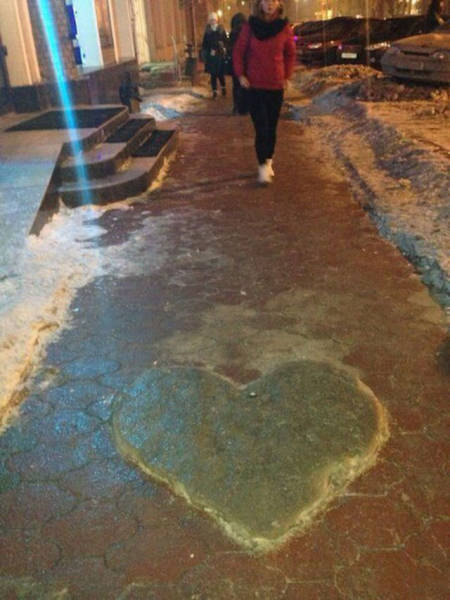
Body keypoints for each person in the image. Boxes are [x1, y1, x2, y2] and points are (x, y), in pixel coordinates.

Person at [233, 0, 295, 184]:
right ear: (259, 4)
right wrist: (241, 74)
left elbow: (290, 54)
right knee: (261, 127)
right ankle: (262, 166)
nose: (270, 4)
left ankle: (268, 159)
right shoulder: (250, 27)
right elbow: (238, 52)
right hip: (255, 87)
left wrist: (287, 75)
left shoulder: (284, 28)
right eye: (266, 1)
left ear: (279, 4)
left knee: (271, 127)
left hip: (275, 86)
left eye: (274, 1)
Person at [201, 12, 228, 99]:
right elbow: (204, 44)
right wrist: (205, 53)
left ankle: (223, 87)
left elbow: (225, 41)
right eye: (211, 20)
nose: (213, 21)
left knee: (220, 73)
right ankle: (214, 91)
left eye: (214, 20)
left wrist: (223, 46)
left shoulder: (221, 30)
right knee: (213, 74)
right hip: (211, 56)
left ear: (216, 20)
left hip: (219, 55)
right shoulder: (207, 32)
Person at [228, 12, 248, 114]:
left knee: (236, 85)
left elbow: (230, 48)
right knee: (245, 85)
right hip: (246, 63)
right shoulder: (247, 32)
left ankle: (236, 105)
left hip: (235, 63)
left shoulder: (233, 33)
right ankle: (244, 107)